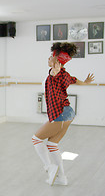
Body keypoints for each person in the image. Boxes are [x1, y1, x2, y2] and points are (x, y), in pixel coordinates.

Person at [32, 42, 95, 186]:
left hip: (60, 113)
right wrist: (85, 82)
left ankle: (49, 167)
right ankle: (62, 178)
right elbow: (75, 80)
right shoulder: (65, 75)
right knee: (52, 144)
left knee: (36, 139)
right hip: (69, 113)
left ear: (56, 60)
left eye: (50, 57)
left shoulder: (55, 73)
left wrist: (55, 70)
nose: (48, 59)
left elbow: (55, 74)